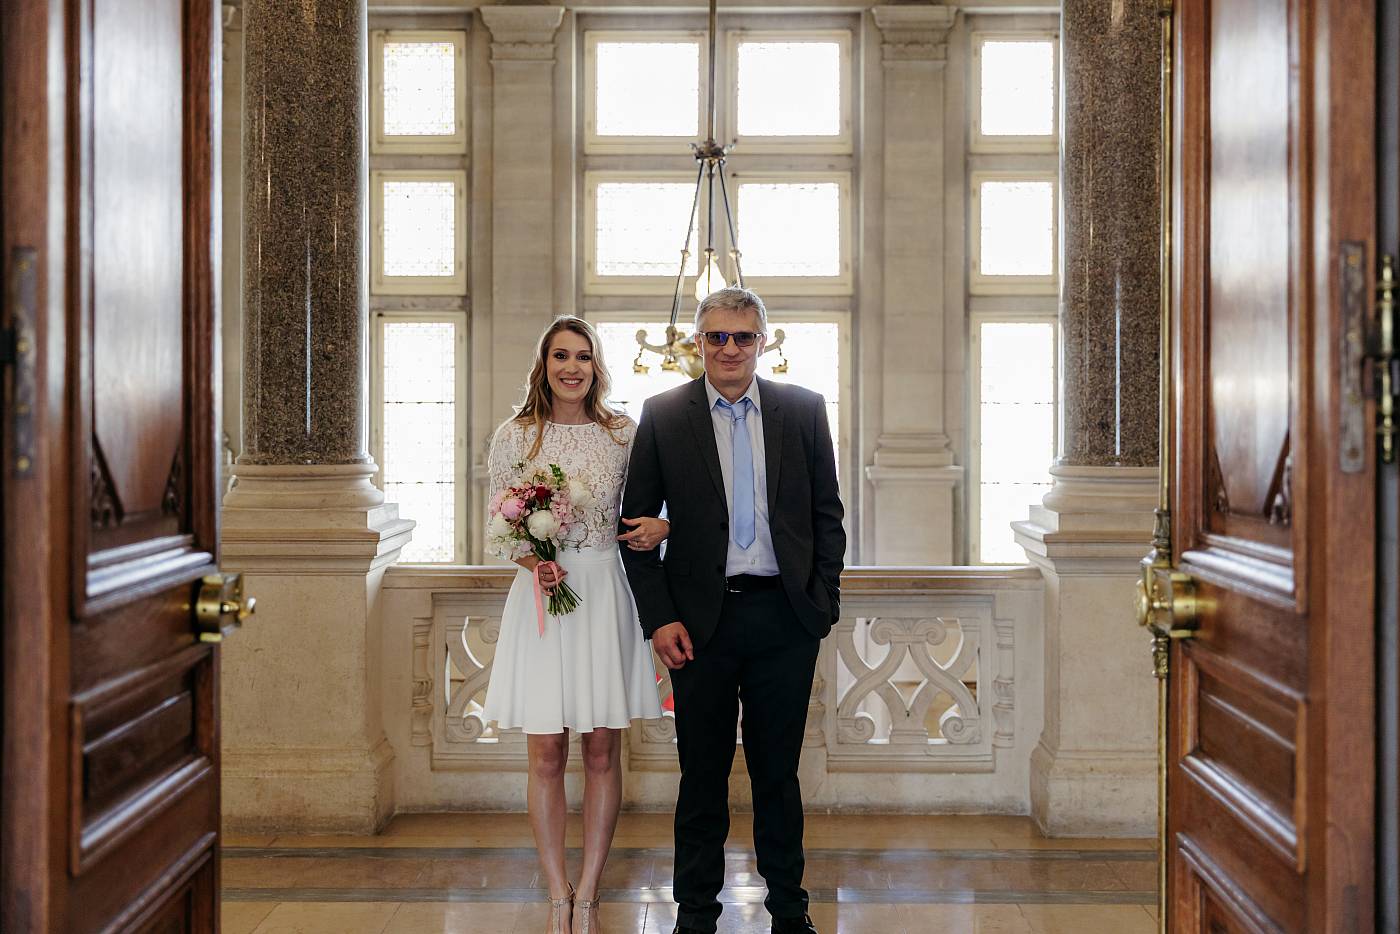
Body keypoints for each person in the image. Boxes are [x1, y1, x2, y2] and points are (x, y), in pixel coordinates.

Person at [619, 288, 846, 934]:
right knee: (702, 776)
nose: (728, 349)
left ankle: (788, 909)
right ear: (697, 343)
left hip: (785, 620)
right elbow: (635, 530)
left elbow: (828, 518)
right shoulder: (664, 415)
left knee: (779, 776)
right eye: (716, 337)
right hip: (700, 626)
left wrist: (820, 605)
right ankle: (695, 912)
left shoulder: (803, 412)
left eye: (742, 337)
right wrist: (660, 619)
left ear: (763, 343)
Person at [482, 315, 668, 934]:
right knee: (545, 750)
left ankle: (589, 888)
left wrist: (662, 527)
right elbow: (499, 525)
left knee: (601, 747)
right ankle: (556, 888)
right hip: (543, 598)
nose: (572, 367)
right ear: (543, 364)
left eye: (583, 357)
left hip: (605, 589)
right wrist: (536, 559)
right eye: (561, 356)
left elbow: (652, 505)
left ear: (596, 366)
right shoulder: (516, 436)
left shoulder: (621, 434)